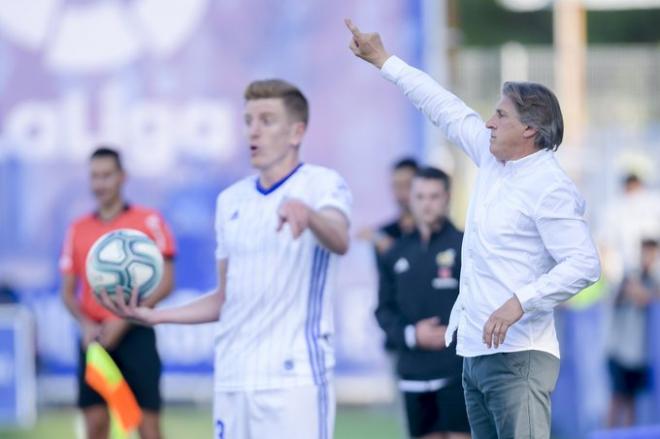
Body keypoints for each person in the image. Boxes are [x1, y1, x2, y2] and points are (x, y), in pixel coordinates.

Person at [345, 19, 601, 439]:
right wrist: (383, 60)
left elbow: (584, 264)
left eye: (500, 115)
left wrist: (521, 301)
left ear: (530, 130)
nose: (488, 123)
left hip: (520, 356)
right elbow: (443, 106)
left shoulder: (549, 186)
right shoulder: (492, 157)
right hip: (474, 353)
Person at [100, 79, 352, 439]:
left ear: (297, 132)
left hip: (293, 378)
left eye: (266, 120)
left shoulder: (322, 185)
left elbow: (340, 238)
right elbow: (224, 297)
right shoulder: (231, 201)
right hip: (234, 377)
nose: (254, 130)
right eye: (248, 120)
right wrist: (155, 315)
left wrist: (309, 215)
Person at [60, 147, 176, 439]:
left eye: (107, 175)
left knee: (148, 428)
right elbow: (67, 293)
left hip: (135, 332)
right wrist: (87, 325)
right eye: (94, 176)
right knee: (96, 427)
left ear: (123, 177)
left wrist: (123, 319)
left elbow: (167, 281)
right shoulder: (78, 228)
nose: (100, 183)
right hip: (95, 340)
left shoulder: (148, 220)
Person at [376, 166, 470, 439]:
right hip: (413, 372)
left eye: (433, 196)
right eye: (420, 197)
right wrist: (412, 334)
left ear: (447, 198)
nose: (426, 204)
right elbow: (383, 309)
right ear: (411, 200)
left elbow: (482, 304)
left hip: (457, 370)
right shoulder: (395, 253)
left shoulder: (466, 246)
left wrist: (455, 332)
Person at [606, 238, 659, 428]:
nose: (649, 257)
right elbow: (637, 295)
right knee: (616, 400)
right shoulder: (630, 276)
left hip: (638, 355)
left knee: (631, 404)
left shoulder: (653, 280)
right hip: (619, 351)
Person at [359, 157, 419, 255]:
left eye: (408, 185)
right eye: (397, 186)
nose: (402, 192)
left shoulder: (431, 230)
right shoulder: (384, 233)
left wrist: (392, 249)